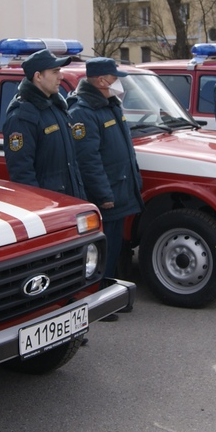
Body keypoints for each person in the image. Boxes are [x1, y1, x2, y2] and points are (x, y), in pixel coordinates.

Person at [68, 59, 143, 279]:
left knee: (114, 248)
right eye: (114, 78)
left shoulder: (110, 105)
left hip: (119, 190)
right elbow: (88, 160)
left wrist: (135, 179)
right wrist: (102, 194)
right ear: (101, 81)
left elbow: (126, 151)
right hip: (107, 196)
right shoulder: (82, 112)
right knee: (102, 251)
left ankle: (111, 288)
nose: (118, 83)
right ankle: (100, 293)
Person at [3, 48, 85, 198]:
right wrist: (42, 210)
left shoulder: (56, 107)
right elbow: (22, 174)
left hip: (69, 200)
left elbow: (70, 164)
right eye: (55, 72)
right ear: (38, 76)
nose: (61, 76)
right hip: (49, 206)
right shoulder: (22, 117)